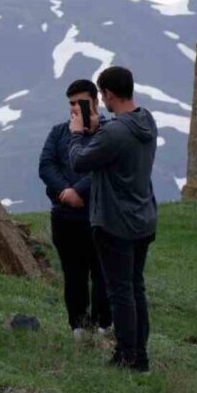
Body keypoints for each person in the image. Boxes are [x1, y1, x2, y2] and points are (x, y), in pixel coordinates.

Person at [69, 66, 158, 372]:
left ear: (107, 94)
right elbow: (114, 149)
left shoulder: (115, 131)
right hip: (143, 217)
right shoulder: (146, 121)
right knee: (135, 288)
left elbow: (80, 161)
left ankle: (126, 356)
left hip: (115, 221)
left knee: (120, 292)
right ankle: (140, 355)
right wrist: (98, 130)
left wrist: (77, 134)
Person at [39, 79, 112, 337]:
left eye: (81, 102)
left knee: (102, 273)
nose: (75, 108)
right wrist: (66, 192)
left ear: (95, 101)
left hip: (99, 214)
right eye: (71, 103)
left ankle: (103, 324)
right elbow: (46, 165)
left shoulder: (108, 133)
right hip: (65, 215)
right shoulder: (59, 132)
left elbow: (105, 167)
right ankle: (78, 326)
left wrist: (79, 190)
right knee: (73, 273)